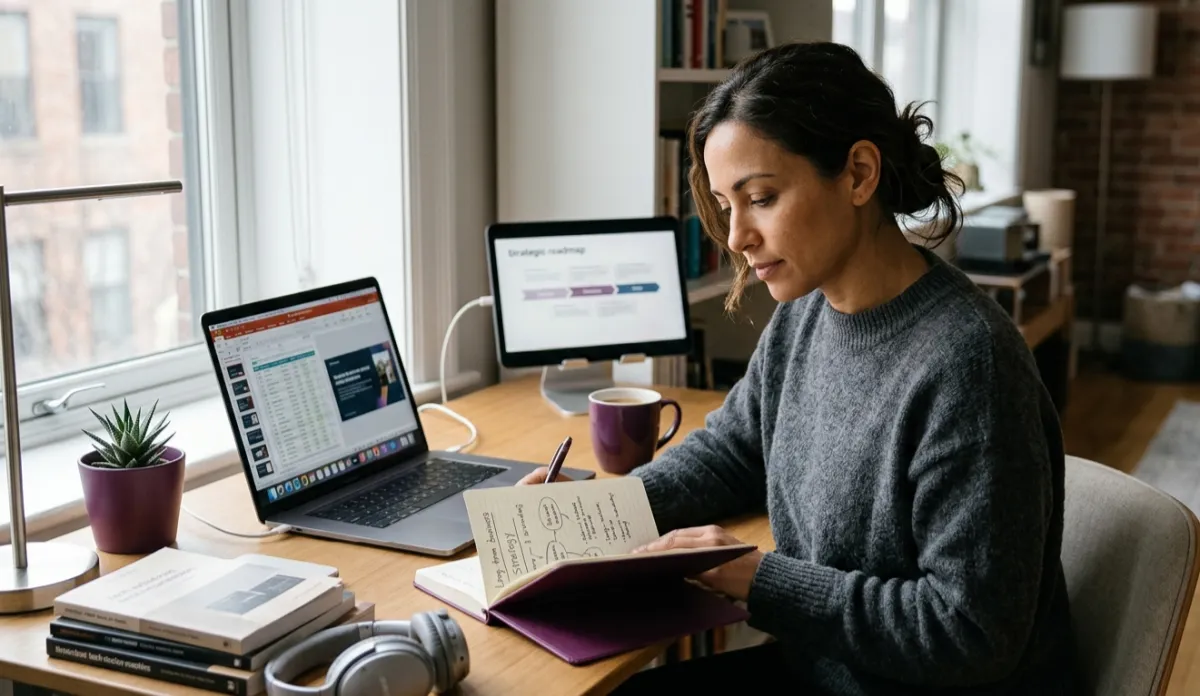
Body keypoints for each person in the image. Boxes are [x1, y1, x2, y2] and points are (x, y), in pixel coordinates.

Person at [519, 40, 1077, 695]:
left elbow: (969, 635)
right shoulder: (808, 313)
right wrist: (604, 511)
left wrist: (759, 579)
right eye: (728, 204)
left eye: (760, 197)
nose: (735, 236)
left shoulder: (968, 364)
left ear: (860, 174)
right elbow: (733, 451)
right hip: (826, 673)